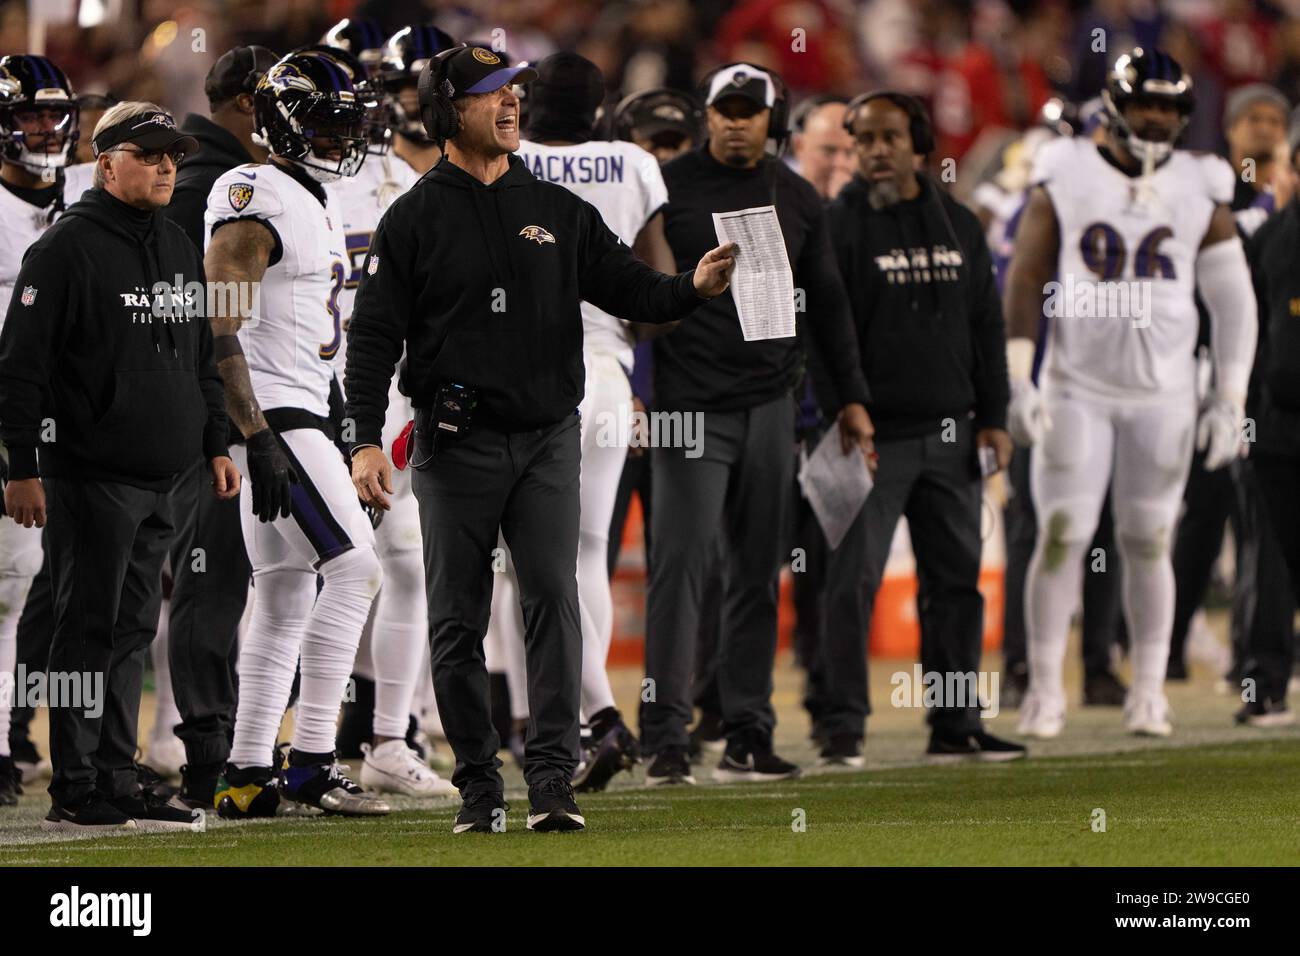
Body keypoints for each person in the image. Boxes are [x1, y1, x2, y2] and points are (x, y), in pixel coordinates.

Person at [344, 44, 737, 833]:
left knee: (554, 602)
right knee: (457, 614)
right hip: (456, 443)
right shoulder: (414, 216)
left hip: (549, 436)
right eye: (493, 92)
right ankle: (480, 787)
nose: (512, 103)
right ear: (449, 109)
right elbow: (373, 341)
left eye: (516, 90)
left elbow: (633, 290)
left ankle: (553, 782)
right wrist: (360, 440)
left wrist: (692, 287)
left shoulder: (557, 208)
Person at [1004, 49, 1258, 738]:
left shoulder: (1199, 182)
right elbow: (1026, 276)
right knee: (1062, 536)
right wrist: (1019, 375)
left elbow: (1234, 301)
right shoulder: (1067, 169)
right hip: (1077, 386)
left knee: (1148, 539)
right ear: (1116, 104)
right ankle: (1045, 687)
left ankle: (1148, 689)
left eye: (1170, 107)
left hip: (1165, 393)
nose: (1158, 118)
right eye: (1147, 103)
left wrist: (1229, 396)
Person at [0, 101, 238, 832]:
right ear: (107, 163)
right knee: (86, 630)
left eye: (175, 154)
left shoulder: (172, 241)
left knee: (131, 632)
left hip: (167, 476)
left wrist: (218, 443)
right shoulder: (63, 249)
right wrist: (22, 467)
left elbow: (201, 355)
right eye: (152, 153)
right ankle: (73, 784)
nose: (169, 165)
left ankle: (113, 772)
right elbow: (20, 370)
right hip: (91, 476)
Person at [639, 63, 873, 786]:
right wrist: (639, 393)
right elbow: (632, 291)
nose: (737, 120)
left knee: (755, 575)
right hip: (688, 408)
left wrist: (851, 401)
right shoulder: (665, 186)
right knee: (681, 570)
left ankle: (748, 730)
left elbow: (829, 304)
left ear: (774, 119)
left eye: (751, 110)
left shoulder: (797, 194)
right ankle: (666, 736)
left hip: (772, 404)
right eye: (725, 108)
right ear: (708, 115)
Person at [203, 48, 389, 819]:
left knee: (282, 593)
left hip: (299, 410)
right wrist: (256, 433)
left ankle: (246, 775)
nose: (345, 137)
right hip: (276, 415)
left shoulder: (311, 193)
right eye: (328, 122)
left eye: (349, 123)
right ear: (284, 122)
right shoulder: (257, 195)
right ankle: (313, 760)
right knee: (357, 572)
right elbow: (219, 320)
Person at [818, 91, 1023, 766]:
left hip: (952, 434)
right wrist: (846, 405)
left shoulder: (959, 222)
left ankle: (956, 722)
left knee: (957, 586)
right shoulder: (835, 224)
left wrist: (993, 417)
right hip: (869, 437)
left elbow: (987, 327)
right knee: (852, 584)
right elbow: (825, 333)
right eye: (863, 140)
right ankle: (843, 727)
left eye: (889, 138)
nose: (875, 151)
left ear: (919, 143)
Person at [514, 52, 679, 792]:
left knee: (512, 562)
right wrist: (618, 348)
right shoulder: (632, 162)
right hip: (606, 377)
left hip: (521, 376)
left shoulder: (504, 157)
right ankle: (591, 718)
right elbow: (657, 288)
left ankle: (573, 720)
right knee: (586, 556)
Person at [328, 23, 458, 797]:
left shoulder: (409, 192)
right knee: (296, 580)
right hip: (312, 404)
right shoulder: (282, 187)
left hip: (387, 402)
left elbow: (425, 312)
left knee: (405, 566)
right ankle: (275, 745)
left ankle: (384, 736)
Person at [150, 43, 278, 810]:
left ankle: (234, 745)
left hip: (240, 410)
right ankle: (204, 752)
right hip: (220, 416)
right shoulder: (212, 183)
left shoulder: (225, 175)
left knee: (257, 585)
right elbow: (202, 318)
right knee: (210, 580)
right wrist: (223, 423)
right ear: (244, 104)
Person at [0, 53, 90, 805]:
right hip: (14, 421)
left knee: (42, 589)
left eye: (54, 113)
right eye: (28, 115)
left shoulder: (94, 195)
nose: (44, 127)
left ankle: (32, 741)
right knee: (10, 584)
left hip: (81, 426)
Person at [1237, 111, 1300, 727]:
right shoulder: (1268, 239)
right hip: (1276, 428)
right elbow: (1243, 336)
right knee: (1271, 558)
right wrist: (1241, 416)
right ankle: (1264, 680)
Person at [788, 94, 855, 201]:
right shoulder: (774, 197)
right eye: (829, 151)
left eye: (850, 152)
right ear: (799, 146)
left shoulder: (874, 202)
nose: (840, 163)